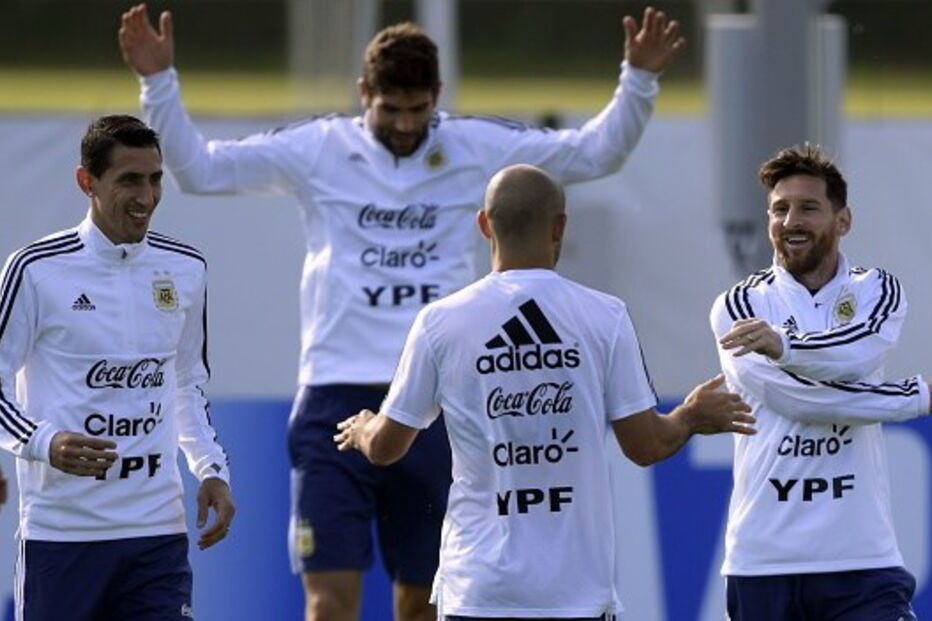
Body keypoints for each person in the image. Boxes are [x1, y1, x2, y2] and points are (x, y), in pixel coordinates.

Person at [118, 5, 685, 620]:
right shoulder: (319, 147)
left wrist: (640, 78)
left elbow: (592, 154)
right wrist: (158, 82)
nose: (407, 126)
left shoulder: (475, 144)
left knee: (420, 602)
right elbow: (201, 171)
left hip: (438, 399)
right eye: (392, 111)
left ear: (437, 97)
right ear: (365, 94)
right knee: (328, 601)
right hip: (335, 394)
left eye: (419, 111)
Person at [333, 164, 756, 619]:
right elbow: (646, 445)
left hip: (479, 592)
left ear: (483, 225)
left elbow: (385, 448)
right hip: (573, 595)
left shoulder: (441, 323)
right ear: (560, 226)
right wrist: (691, 415)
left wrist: (362, 429)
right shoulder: (603, 316)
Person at [0, 115, 235, 620]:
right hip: (63, 534)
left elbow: (186, 383)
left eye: (154, 180)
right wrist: (44, 442)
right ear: (87, 182)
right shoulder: (35, 269)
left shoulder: (186, 268)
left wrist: (211, 468)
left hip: (156, 531)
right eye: (129, 180)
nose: (146, 197)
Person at [710, 144, 931, 620]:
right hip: (763, 557)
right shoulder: (738, 306)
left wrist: (785, 348)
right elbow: (795, 398)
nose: (791, 221)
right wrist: (919, 396)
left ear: (843, 220)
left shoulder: (876, 289)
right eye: (779, 209)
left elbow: (857, 352)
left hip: (861, 555)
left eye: (808, 208)